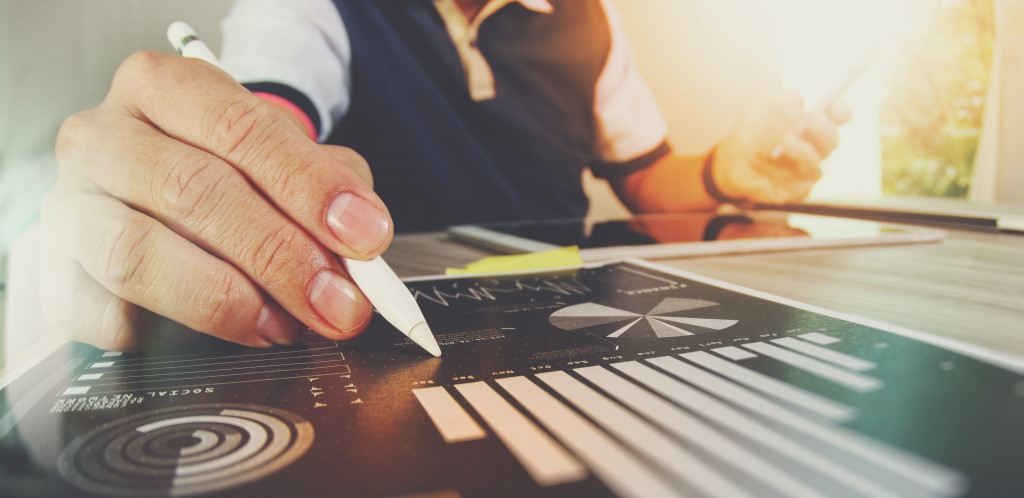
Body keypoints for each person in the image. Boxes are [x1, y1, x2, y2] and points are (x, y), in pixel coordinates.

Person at [39, 0, 849, 352]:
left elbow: (645, 179)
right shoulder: (319, 11)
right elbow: (265, 125)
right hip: (397, 327)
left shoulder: (593, 20)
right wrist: (219, 170)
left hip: (579, 315)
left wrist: (720, 169)